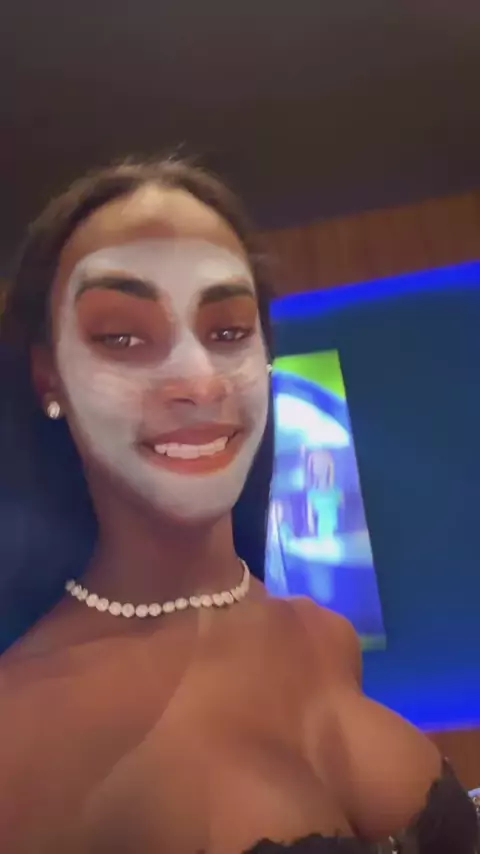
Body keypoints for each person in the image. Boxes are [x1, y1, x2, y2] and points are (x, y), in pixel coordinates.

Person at [0, 158, 477, 854]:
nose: (198, 381)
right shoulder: (23, 726)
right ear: (48, 376)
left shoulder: (323, 637)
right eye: (122, 335)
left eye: (228, 331)